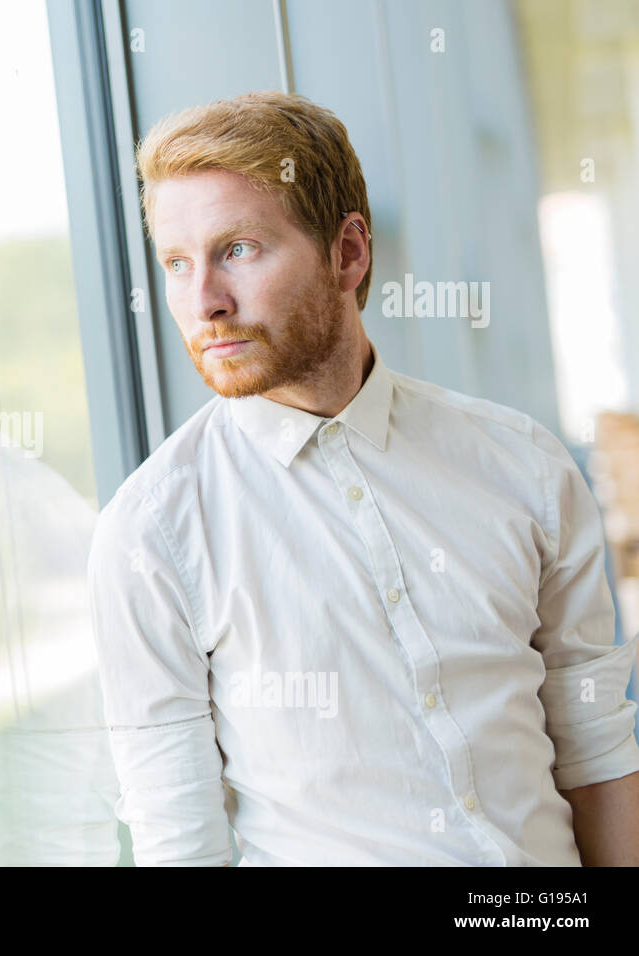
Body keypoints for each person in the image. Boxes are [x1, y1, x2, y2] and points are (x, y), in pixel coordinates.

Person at [87, 90, 639, 866]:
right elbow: (180, 838)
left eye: (238, 249)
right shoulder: (152, 533)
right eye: (176, 264)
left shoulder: (524, 464)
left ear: (348, 252)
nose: (203, 302)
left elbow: (595, 746)